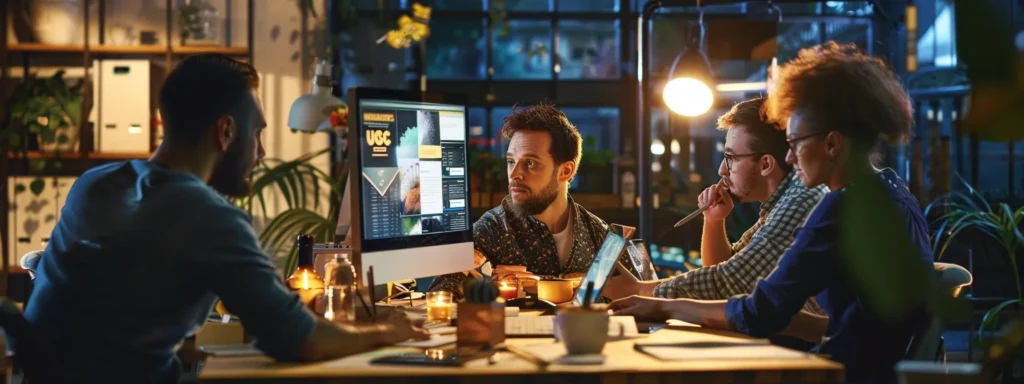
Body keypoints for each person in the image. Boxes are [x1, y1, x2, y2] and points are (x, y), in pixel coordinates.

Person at [24, 54, 428, 384]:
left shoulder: (95, 183)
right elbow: (297, 340)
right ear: (226, 132)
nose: (262, 153)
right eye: (258, 134)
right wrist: (388, 332)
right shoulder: (210, 217)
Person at [609, 42, 934, 384]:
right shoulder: (895, 193)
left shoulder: (838, 210)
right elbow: (846, 320)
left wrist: (663, 305)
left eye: (794, 144)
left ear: (832, 144)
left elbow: (758, 311)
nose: (790, 158)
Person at [601, 97, 827, 319]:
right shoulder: (778, 205)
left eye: (730, 158)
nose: (722, 170)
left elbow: (727, 283)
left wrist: (639, 290)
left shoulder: (800, 199)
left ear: (766, 164)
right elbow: (724, 269)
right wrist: (714, 220)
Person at [428, 104, 633, 299]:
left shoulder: (599, 234)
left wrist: (557, 284)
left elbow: (641, 299)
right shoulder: (490, 229)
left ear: (566, 170)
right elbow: (439, 297)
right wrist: (489, 287)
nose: (514, 174)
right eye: (511, 162)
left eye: (530, 163)